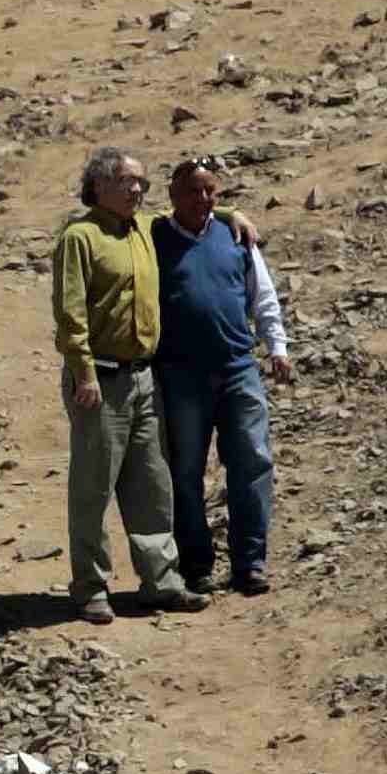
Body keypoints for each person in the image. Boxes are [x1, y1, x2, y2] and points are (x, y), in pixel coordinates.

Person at [52, 147, 207, 625]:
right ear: (99, 185)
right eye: (127, 181)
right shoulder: (80, 237)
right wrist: (83, 373)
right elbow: (70, 314)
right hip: (99, 379)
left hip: (144, 377)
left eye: (141, 181)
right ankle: (90, 587)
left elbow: (189, 209)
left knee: (151, 483)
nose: (138, 189)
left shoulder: (142, 227)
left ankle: (161, 581)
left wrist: (230, 211)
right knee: (94, 487)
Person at [152, 160, 294, 595]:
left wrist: (277, 346)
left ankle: (250, 562)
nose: (203, 200)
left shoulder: (235, 237)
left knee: (252, 462)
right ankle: (196, 564)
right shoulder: (153, 237)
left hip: (237, 367)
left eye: (211, 191)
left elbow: (261, 294)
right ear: (173, 193)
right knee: (186, 470)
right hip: (181, 374)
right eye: (193, 191)